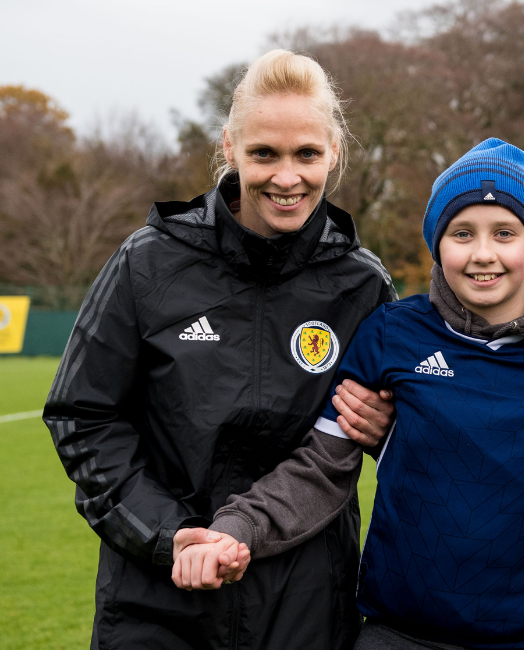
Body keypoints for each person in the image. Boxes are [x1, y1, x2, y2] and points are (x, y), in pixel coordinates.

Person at [173, 138, 524, 650]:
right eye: (462, 233)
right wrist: (238, 526)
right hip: (396, 633)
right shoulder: (392, 334)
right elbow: (321, 467)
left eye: (505, 233)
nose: (483, 254)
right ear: (437, 244)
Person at [43, 49, 397, 650]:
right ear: (230, 148)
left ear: (333, 154)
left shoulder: (362, 285)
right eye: (265, 153)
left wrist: (386, 422)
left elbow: (411, 428)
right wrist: (168, 536)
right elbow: (83, 414)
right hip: (158, 599)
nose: (287, 177)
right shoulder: (148, 262)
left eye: (306, 154)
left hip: (306, 603)